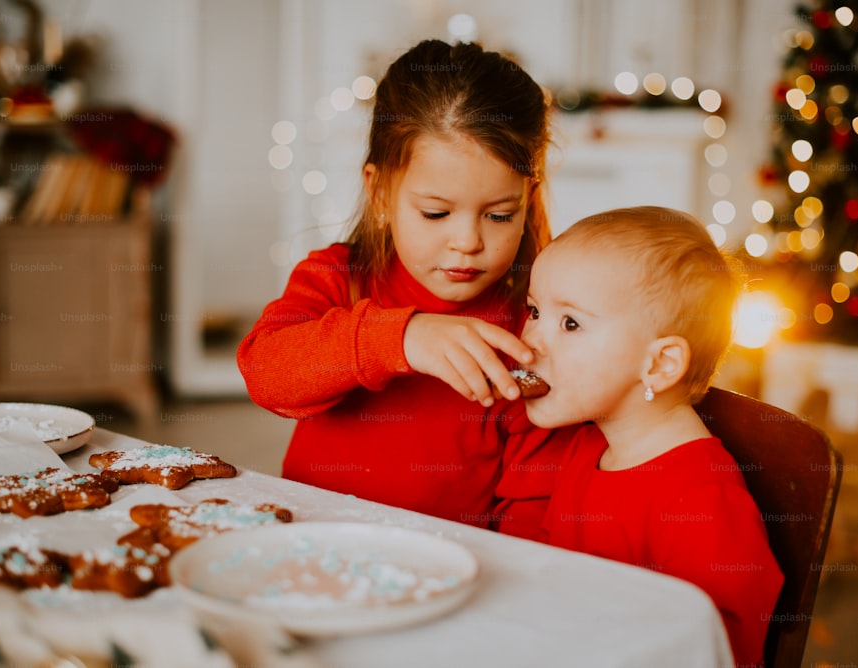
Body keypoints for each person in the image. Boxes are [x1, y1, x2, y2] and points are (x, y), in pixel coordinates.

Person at [237, 39, 556, 527]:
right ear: (379, 190)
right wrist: (400, 338)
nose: (467, 241)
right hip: (315, 543)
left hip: (451, 572)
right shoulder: (339, 277)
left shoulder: (532, 317)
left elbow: (532, 497)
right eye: (436, 212)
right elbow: (267, 374)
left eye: (498, 214)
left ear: (528, 201)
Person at [494, 207, 783, 668]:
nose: (529, 343)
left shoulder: (701, 502)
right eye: (534, 311)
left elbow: (716, 649)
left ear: (660, 364)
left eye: (570, 323)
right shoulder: (585, 446)